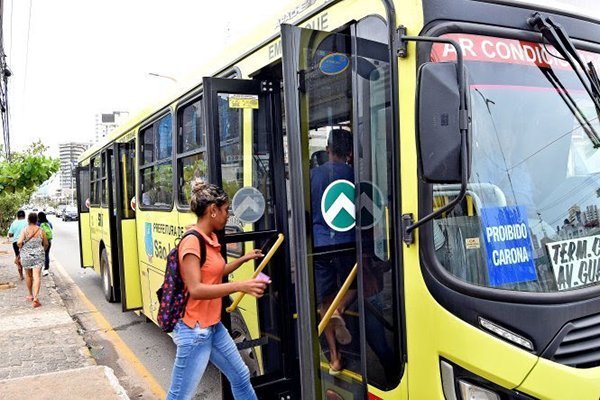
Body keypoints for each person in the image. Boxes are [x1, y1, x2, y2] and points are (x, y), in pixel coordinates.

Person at [166, 179, 267, 400]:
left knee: (240, 376)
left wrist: (244, 259)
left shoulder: (210, 238)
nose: (227, 215)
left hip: (212, 326)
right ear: (213, 210)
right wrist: (242, 285)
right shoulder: (192, 242)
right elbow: (196, 289)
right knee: (179, 396)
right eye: (225, 210)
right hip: (195, 332)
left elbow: (215, 271)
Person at [310, 128, 356, 375]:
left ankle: (335, 360)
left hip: (319, 247)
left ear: (328, 149)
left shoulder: (313, 176)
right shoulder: (355, 175)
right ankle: (340, 309)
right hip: (349, 243)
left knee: (324, 302)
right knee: (362, 283)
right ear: (349, 152)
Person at [17, 212, 48, 308]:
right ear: (36, 220)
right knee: (36, 276)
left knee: (28, 275)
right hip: (38, 255)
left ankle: (30, 294)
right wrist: (42, 250)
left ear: (28, 220)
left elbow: (19, 242)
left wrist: (23, 247)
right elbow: (46, 244)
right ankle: (36, 298)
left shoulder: (24, 230)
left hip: (26, 256)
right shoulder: (41, 230)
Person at [7, 210, 27, 280]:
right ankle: (29, 274)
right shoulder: (27, 222)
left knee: (18, 257)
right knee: (26, 257)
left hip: (15, 242)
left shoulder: (14, 223)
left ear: (17, 216)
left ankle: (21, 275)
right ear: (24, 216)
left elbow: (10, 234)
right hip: (25, 242)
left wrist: (15, 233)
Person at [37, 211, 53, 276]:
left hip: (40, 241)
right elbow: (51, 229)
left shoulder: (37, 223)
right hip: (48, 241)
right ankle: (46, 269)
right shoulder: (49, 223)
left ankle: (39, 268)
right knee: (46, 254)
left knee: (39, 254)